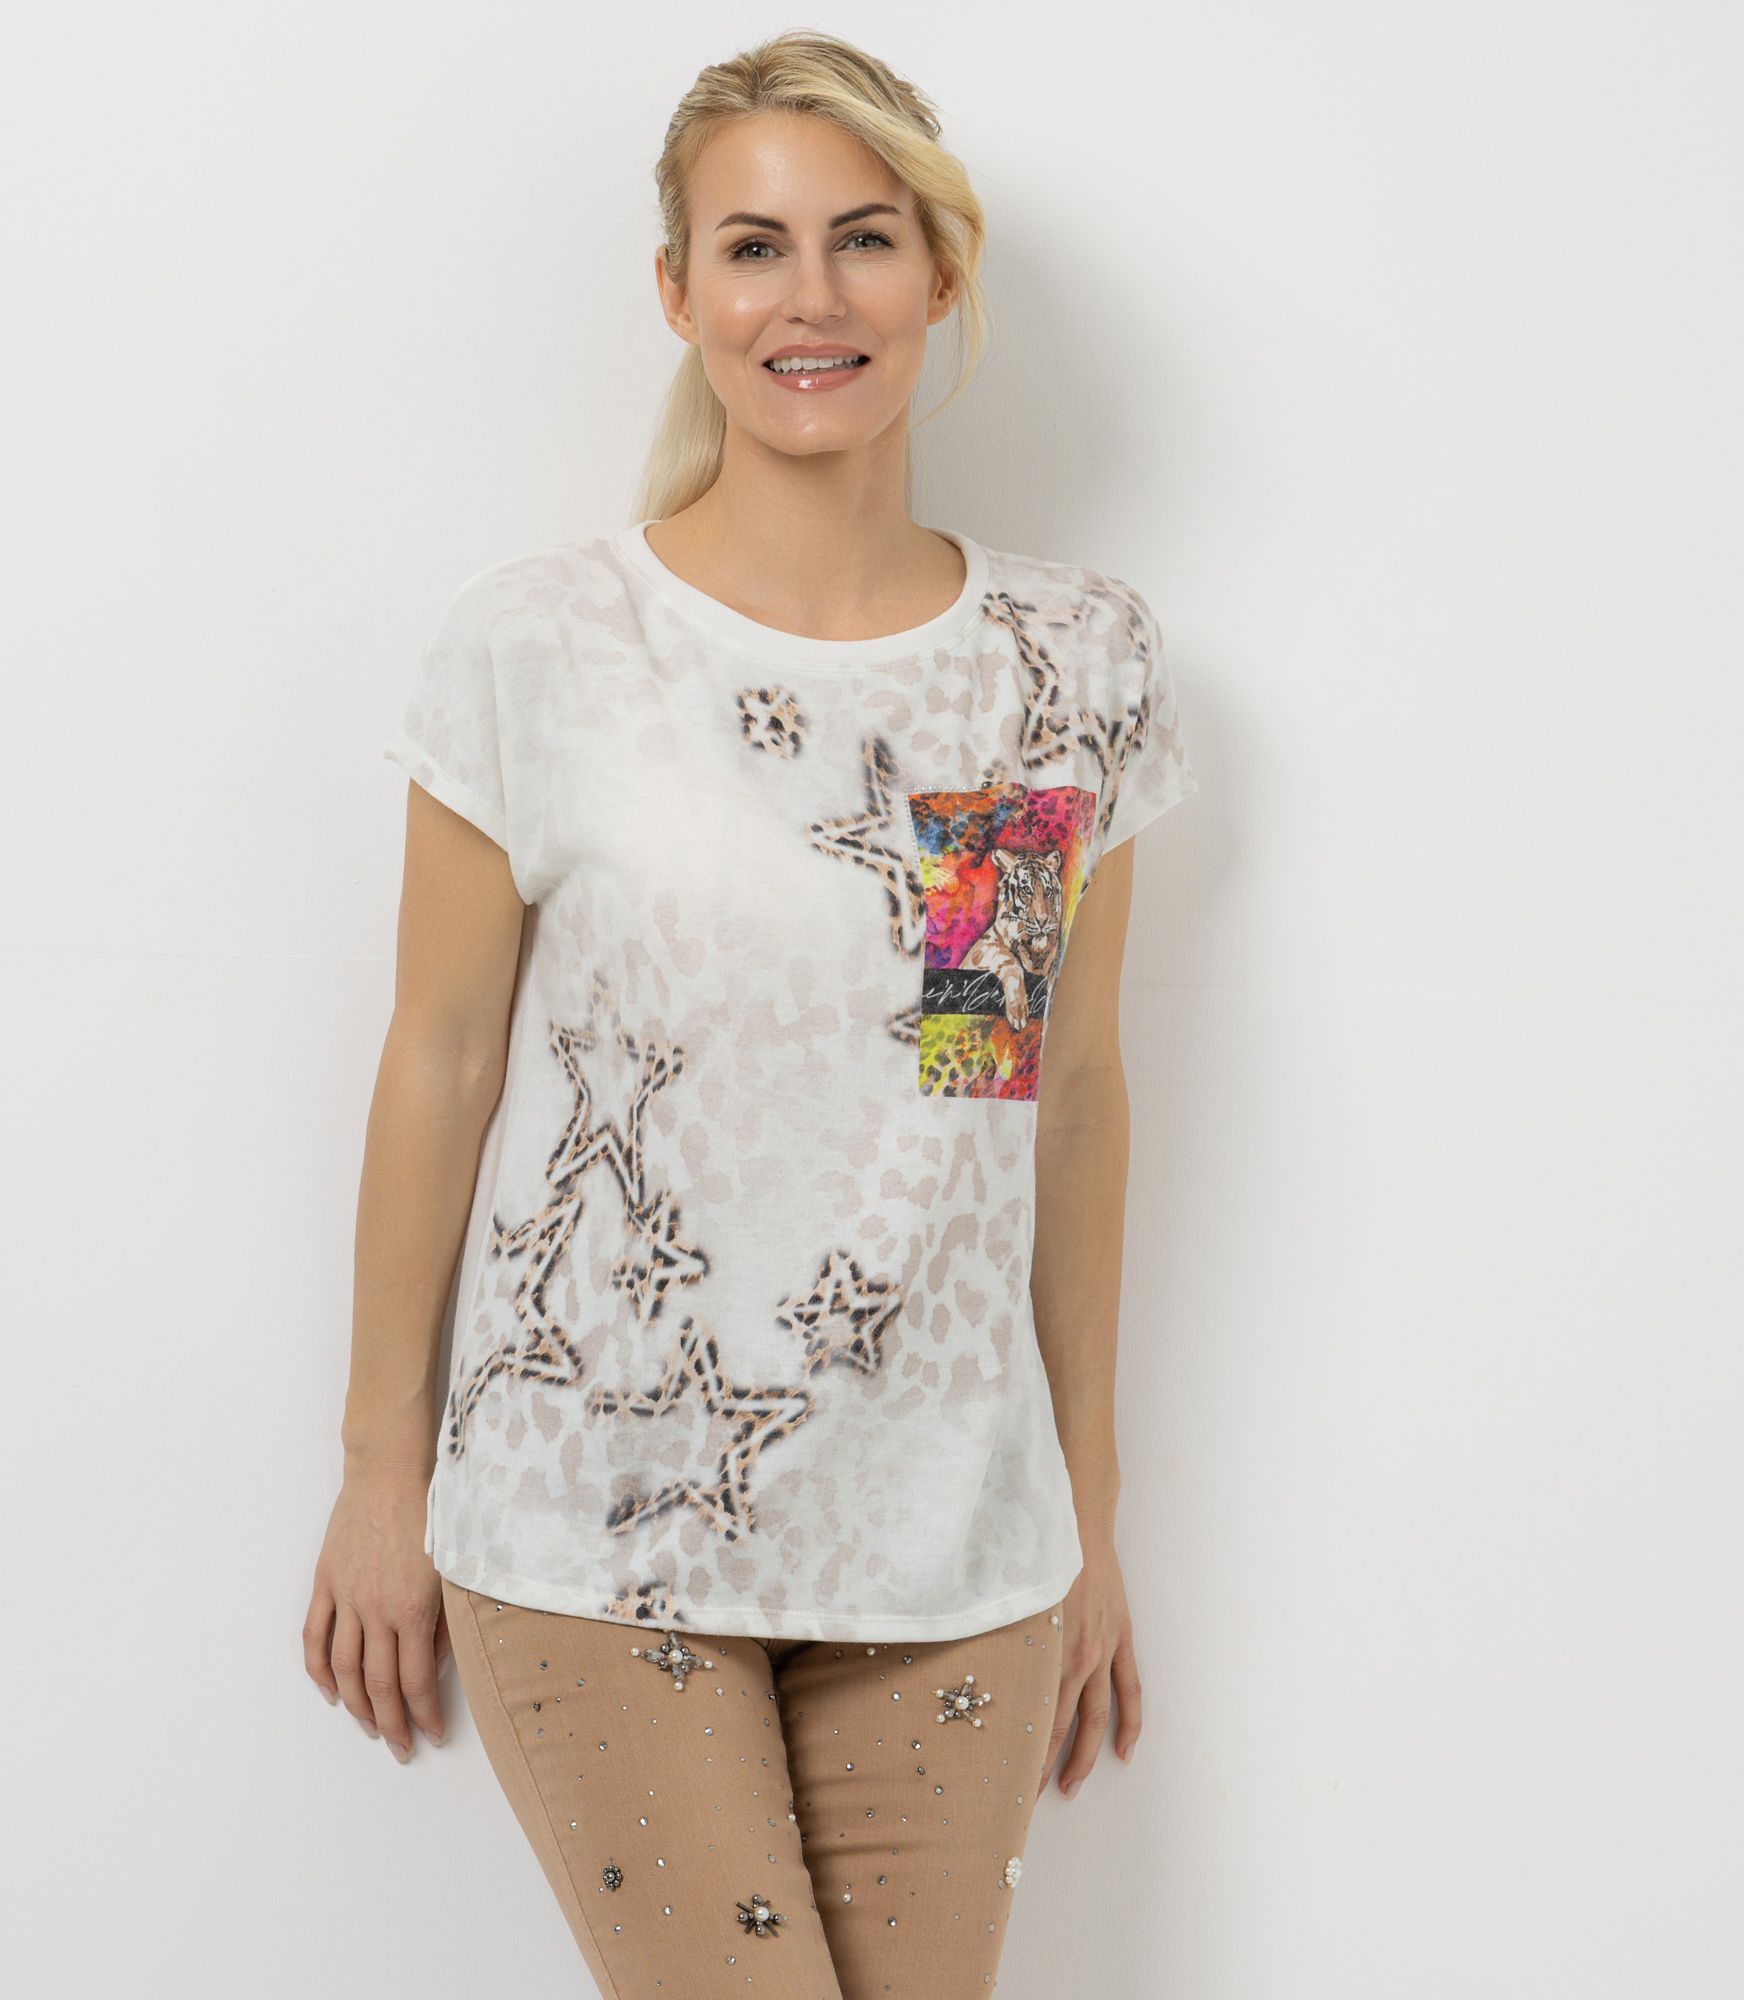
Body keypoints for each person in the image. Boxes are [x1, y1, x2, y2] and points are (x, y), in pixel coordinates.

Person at [304, 28, 1199, 1998]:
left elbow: (1041, 1091)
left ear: (939, 276)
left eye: (863, 239)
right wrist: (378, 1470)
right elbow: (441, 1061)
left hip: (950, 1544)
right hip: (590, 1521)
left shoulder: (1057, 668)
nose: (812, 297)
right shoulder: (546, 647)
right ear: (678, 293)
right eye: (754, 247)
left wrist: (1086, 1510)